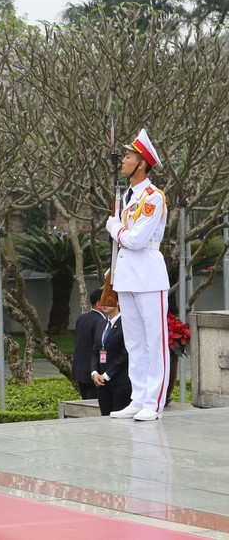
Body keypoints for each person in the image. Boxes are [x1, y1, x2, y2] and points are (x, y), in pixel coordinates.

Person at [105, 129, 170, 422]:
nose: (124, 160)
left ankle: (154, 403)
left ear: (142, 163)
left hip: (148, 273)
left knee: (155, 340)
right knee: (133, 341)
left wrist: (114, 228)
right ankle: (138, 397)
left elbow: (136, 239)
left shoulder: (153, 197)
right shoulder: (128, 196)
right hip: (128, 274)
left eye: (129, 156)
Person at [91, 303, 131, 416]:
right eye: (102, 301)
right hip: (101, 383)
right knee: (105, 417)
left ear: (117, 302)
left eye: (109, 300)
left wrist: (107, 375)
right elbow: (95, 351)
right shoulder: (101, 324)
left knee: (119, 421)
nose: (104, 304)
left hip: (120, 382)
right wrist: (94, 373)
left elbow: (125, 354)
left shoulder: (126, 323)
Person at [72, 289, 106, 400]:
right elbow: (100, 347)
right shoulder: (101, 321)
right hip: (92, 371)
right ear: (99, 304)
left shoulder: (81, 318)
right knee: (94, 404)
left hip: (79, 369)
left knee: (85, 401)